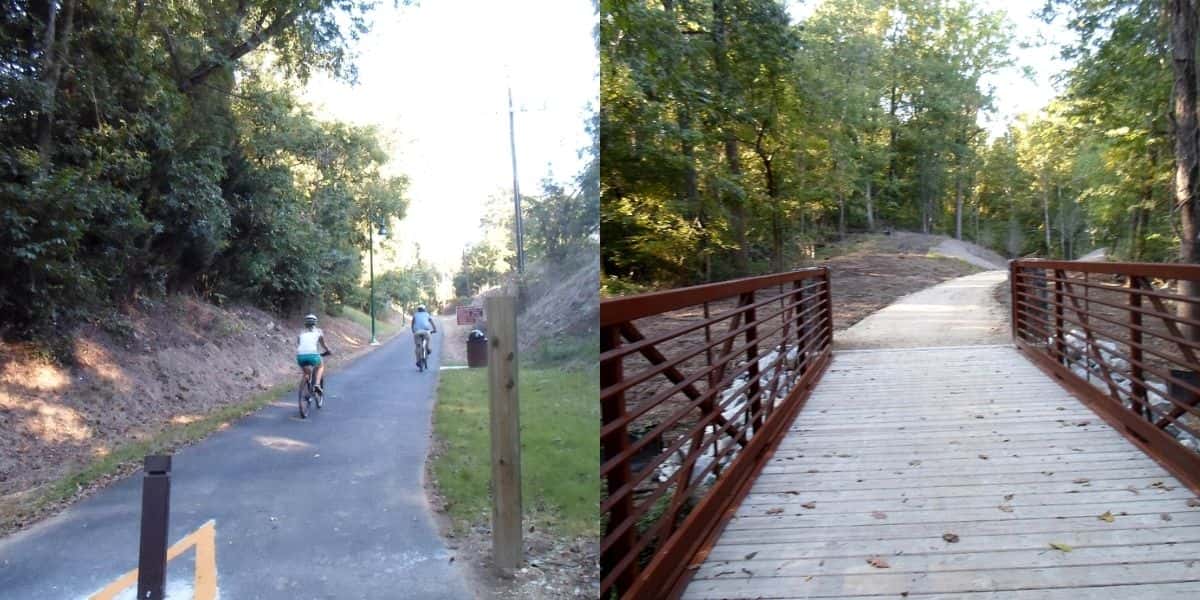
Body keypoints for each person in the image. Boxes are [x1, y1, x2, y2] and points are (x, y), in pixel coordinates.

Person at [296, 314, 331, 394]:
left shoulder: (301, 332)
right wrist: (328, 351)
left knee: (306, 372)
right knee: (321, 366)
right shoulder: (318, 332)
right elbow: (323, 345)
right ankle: (317, 385)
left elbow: (299, 343)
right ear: (315, 323)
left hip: (300, 356)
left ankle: (303, 393)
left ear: (305, 323)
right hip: (313, 355)